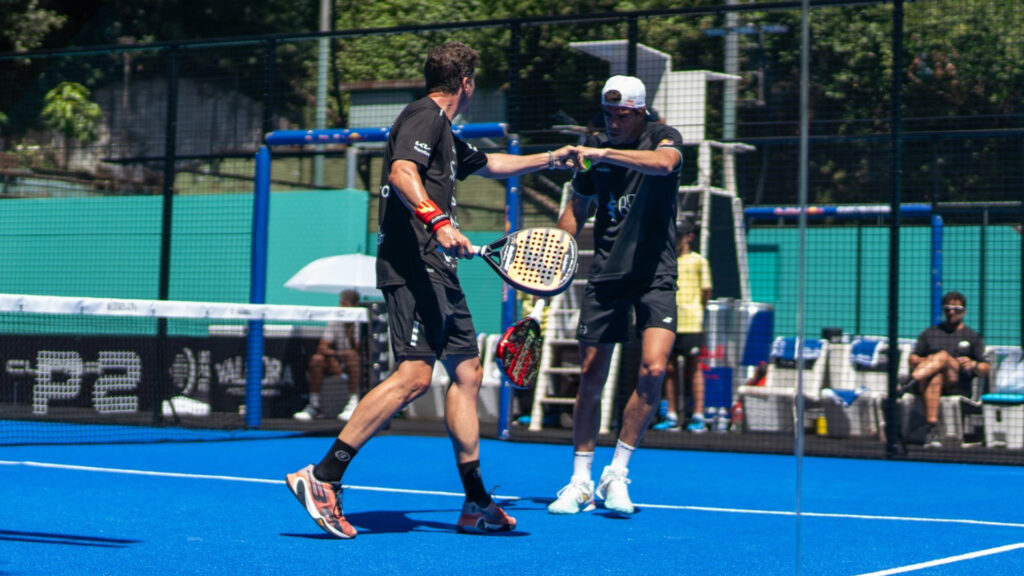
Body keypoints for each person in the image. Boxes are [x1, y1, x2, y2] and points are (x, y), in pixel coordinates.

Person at [286, 41, 580, 538]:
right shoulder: (422, 117)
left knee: (467, 371)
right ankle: (324, 475)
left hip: (440, 270)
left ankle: (475, 501)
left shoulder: (445, 131)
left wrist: (552, 158)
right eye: (474, 84)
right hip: (413, 266)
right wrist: (438, 220)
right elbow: (403, 172)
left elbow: (492, 165)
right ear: (465, 83)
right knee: (415, 377)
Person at [548, 75, 684, 515]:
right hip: (606, 277)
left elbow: (663, 165)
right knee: (590, 377)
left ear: (640, 111)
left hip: (655, 276)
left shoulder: (663, 137)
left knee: (654, 368)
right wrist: (555, 261)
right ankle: (581, 480)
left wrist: (603, 151)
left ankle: (617, 472)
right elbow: (576, 211)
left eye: (621, 114)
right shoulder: (592, 158)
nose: (612, 121)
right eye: (607, 114)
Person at [906, 290, 990, 448]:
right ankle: (932, 429)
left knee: (943, 356)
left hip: (956, 381)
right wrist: (928, 362)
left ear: (964, 311)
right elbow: (912, 358)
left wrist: (973, 365)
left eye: (956, 309)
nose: (951, 312)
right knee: (935, 377)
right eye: (948, 309)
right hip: (931, 380)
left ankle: (911, 381)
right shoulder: (930, 333)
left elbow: (986, 368)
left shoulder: (973, 336)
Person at [654, 220, 712, 433]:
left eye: (679, 235)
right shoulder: (666, 260)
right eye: (673, 235)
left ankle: (698, 416)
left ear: (689, 237)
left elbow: (706, 292)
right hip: (669, 323)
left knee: (694, 368)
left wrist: (695, 311)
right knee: (667, 368)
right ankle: (671, 415)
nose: (676, 239)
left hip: (692, 323)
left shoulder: (699, 261)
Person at [293, 290, 363, 421]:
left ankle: (354, 404)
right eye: (340, 303)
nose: (341, 307)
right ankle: (314, 405)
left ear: (354, 306)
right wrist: (337, 354)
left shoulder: (363, 319)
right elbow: (322, 347)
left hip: (359, 365)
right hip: (338, 361)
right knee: (317, 359)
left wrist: (349, 329)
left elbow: (360, 350)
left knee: (353, 358)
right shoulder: (336, 319)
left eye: (344, 304)